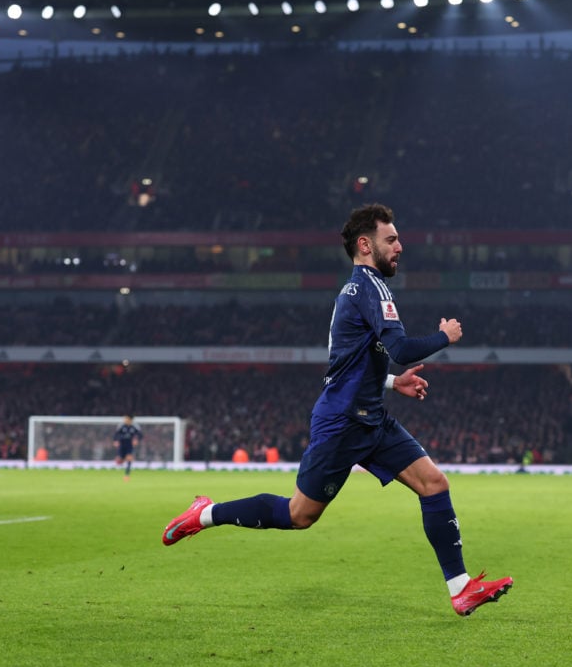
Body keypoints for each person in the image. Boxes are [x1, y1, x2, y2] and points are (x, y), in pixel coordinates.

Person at [162, 203, 512, 617]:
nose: (400, 246)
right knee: (299, 515)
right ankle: (206, 514)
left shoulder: (356, 291)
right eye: (392, 239)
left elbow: (347, 362)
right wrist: (443, 336)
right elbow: (398, 349)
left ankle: (461, 588)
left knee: (434, 484)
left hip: (370, 417)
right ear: (366, 245)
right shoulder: (369, 287)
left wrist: (391, 383)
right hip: (344, 422)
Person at [113, 415, 141, 481]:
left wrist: (136, 439)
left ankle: (127, 475)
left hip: (129, 445)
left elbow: (140, 435)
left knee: (129, 458)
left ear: (130, 420)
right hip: (122, 444)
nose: (125, 420)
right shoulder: (121, 426)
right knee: (120, 459)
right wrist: (115, 441)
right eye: (125, 419)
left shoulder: (134, 427)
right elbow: (116, 434)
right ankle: (120, 463)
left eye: (126, 419)